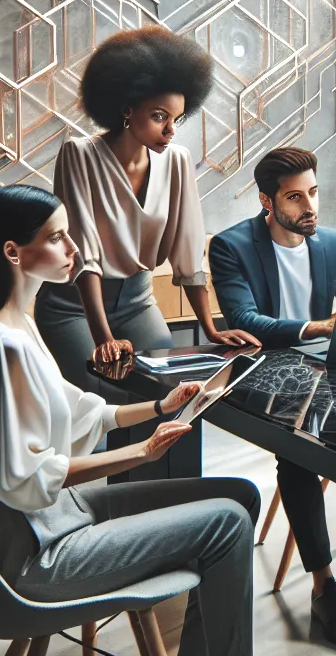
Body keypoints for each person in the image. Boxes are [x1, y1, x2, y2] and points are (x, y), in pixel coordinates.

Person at [0, 184, 307, 656]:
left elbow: (82, 409)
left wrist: (161, 406)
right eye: (57, 237)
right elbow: (24, 479)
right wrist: (143, 451)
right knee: (226, 522)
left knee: (237, 496)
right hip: (33, 551)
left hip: (51, 518)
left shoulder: (17, 326)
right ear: (13, 252)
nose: (73, 247)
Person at [209, 146, 336, 652]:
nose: (310, 207)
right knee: (300, 453)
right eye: (295, 197)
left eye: (314, 193)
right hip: (265, 375)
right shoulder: (231, 246)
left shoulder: (333, 242)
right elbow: (243, 319)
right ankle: (324, 585)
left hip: (326, 370)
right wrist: (315, 326)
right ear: (267, 201)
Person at [36, 26, 258, 397]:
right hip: (74, 307)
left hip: (138, 301)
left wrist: (211, 328)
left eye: (177, 119)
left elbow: (188, 252)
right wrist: (104, 338)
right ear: (127, 108)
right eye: (159, 117)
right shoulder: (79, 154)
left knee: (176, 392)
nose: (170, 130)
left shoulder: (177, 161)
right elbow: (84, 255)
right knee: (107, 396)